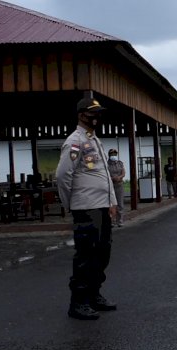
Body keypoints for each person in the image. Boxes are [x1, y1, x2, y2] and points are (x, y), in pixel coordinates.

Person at [56, 97, 118, 321]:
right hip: (86, 208)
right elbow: (63, 176)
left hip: (101, 207)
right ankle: (79, 302)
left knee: (102, 253)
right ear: (81, 114)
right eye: (93, 113)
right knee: (86, 255)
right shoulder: (74, 141)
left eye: (99, 113)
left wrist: (112, 202)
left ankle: (94, 294)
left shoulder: (95, 140)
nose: (97, 117)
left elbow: (103, 175)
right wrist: (70, 205)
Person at [107, 149, 126, 226]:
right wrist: (112, 178)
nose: (113, 156)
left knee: (120, 203)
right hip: (110, 185)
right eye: (112, 154)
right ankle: (112, 221)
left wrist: (120, 177)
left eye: (115, 154)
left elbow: (123, 172)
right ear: (109, 155)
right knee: (111, 204)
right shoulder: (106, 164)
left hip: (119, 185)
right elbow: (105, 174)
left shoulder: (120, 163)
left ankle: (120, 220)